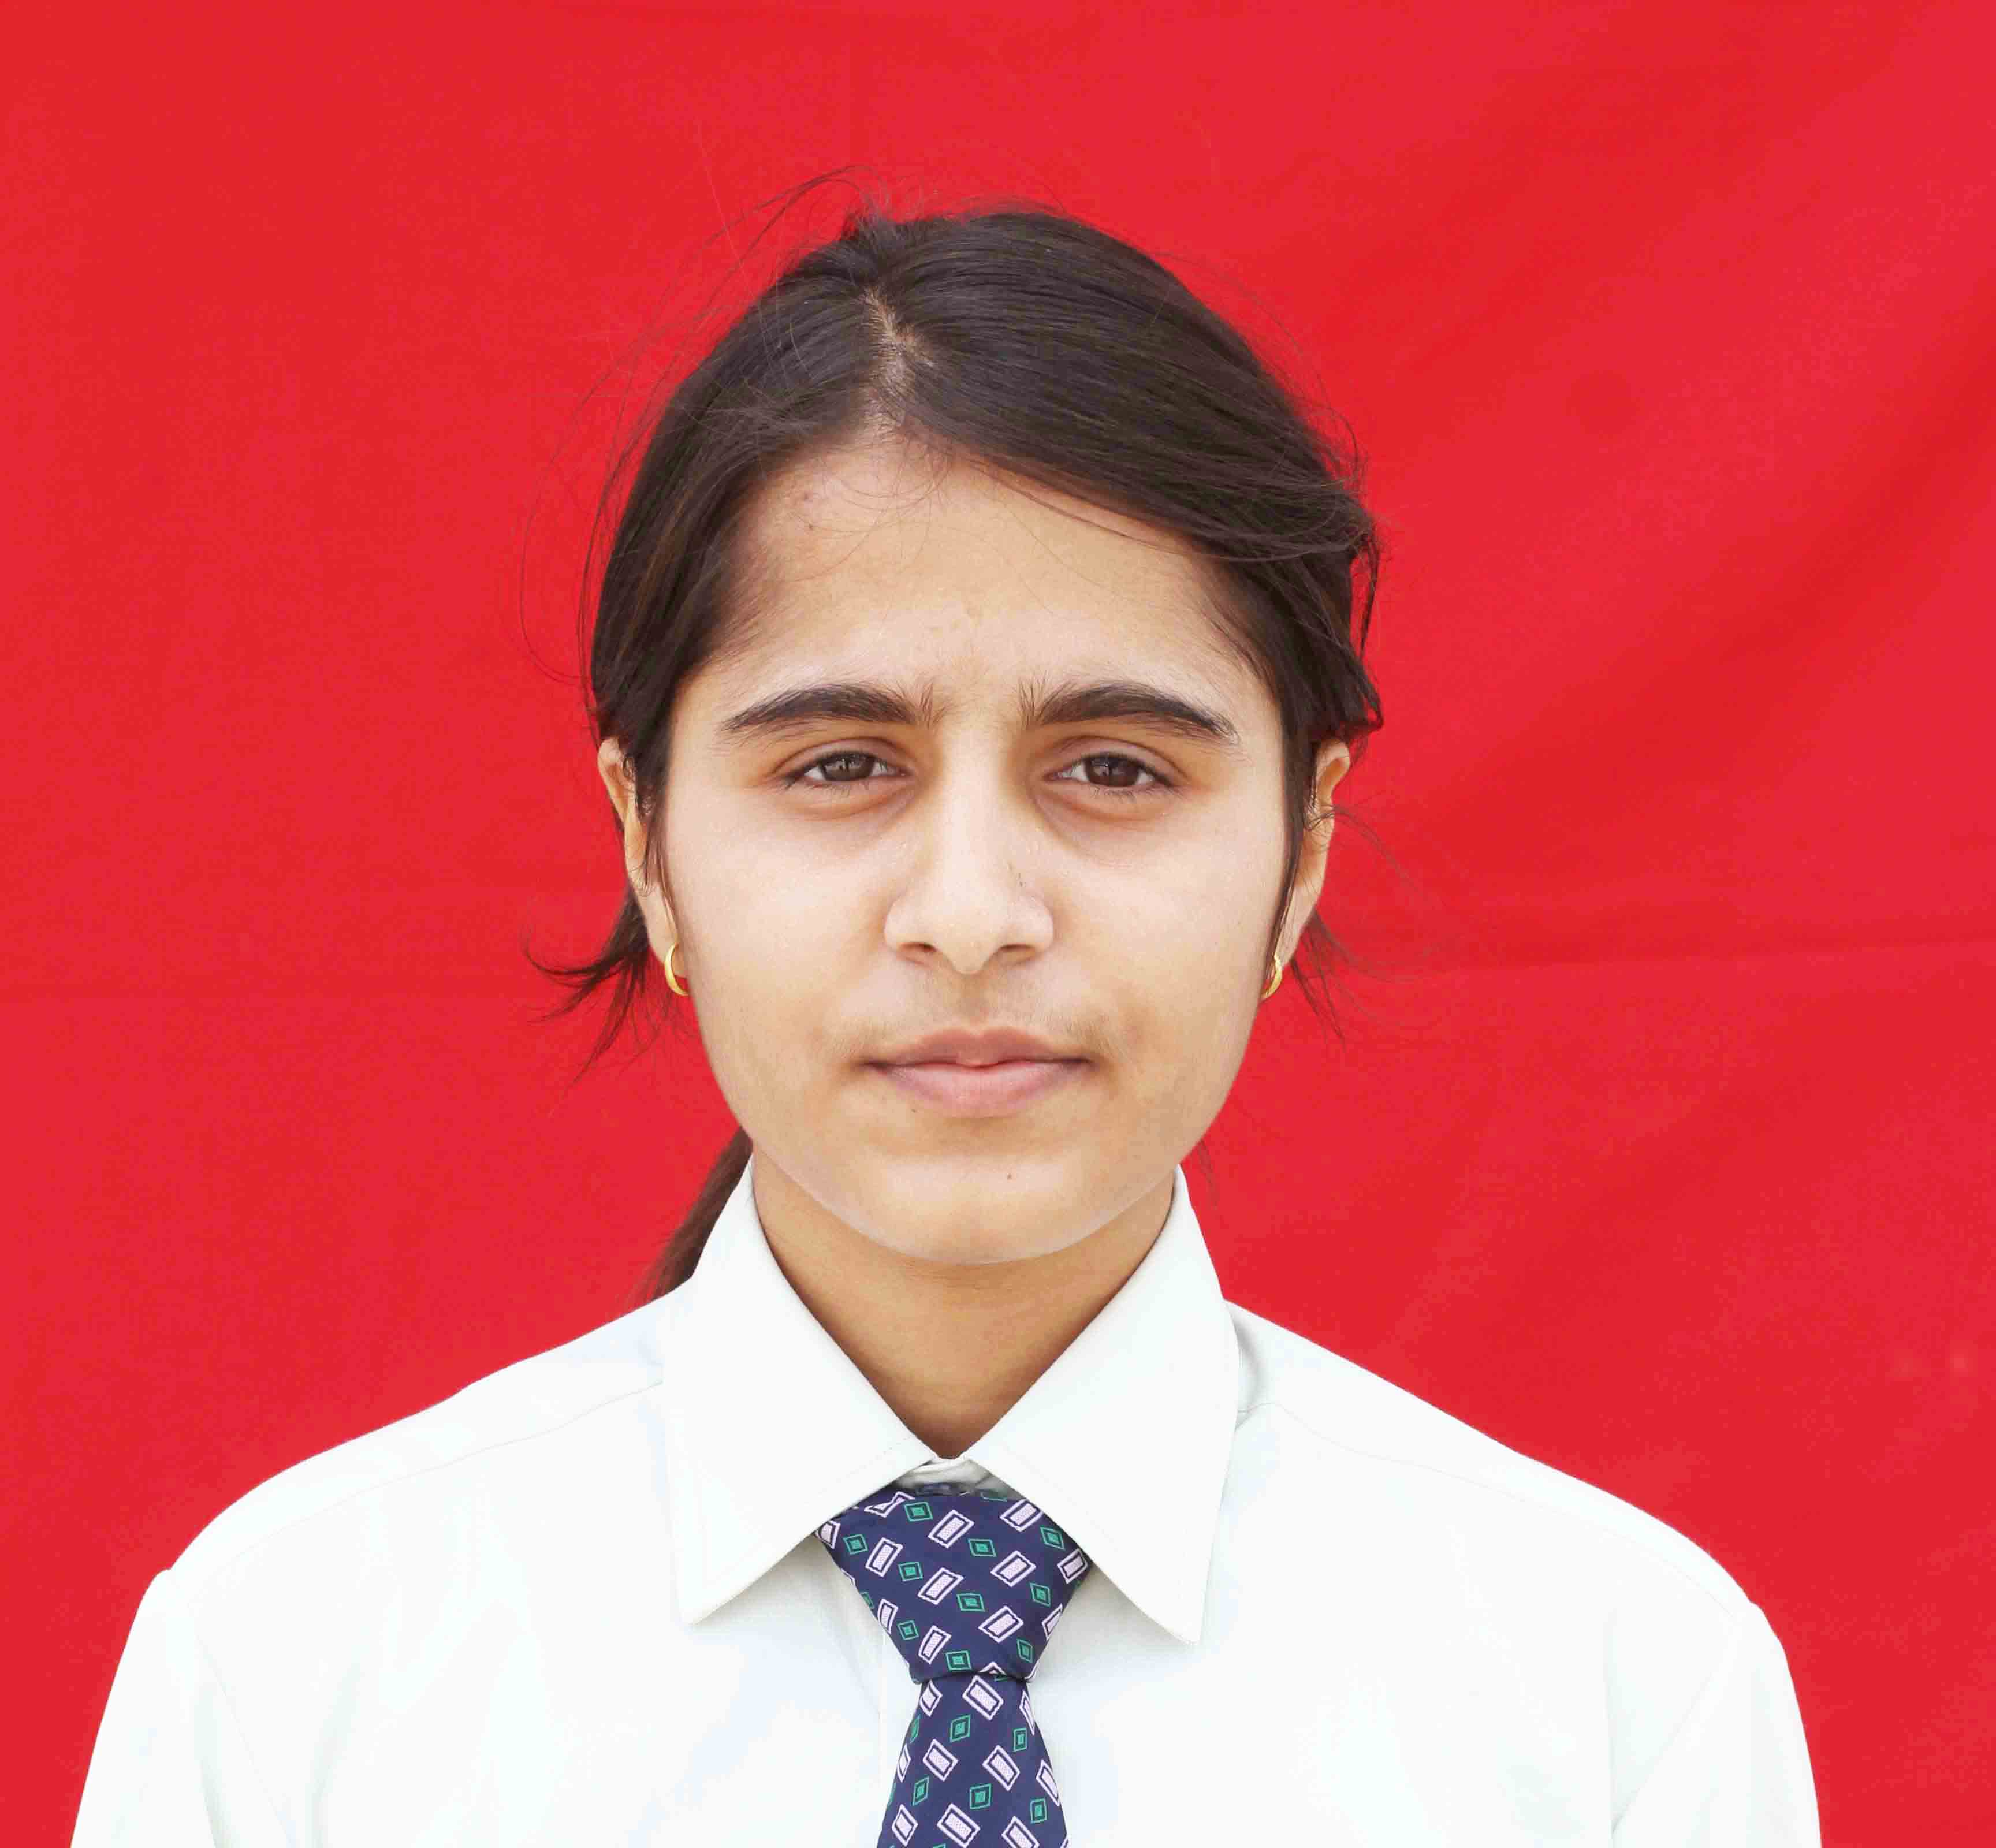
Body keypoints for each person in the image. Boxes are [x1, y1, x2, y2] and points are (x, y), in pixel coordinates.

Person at [72, 185, 1820, 1846]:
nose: (974, 915)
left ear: (1301, 853)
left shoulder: (1611, 1691)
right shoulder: (299, 1670)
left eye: (1114, 767)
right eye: (841, 765)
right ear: (649, 846)